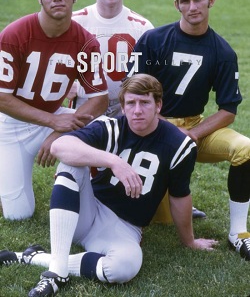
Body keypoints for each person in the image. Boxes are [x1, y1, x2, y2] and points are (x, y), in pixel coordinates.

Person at [0, 74, 217, 297]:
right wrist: (114, 161)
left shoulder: (178, 144)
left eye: (145, 103)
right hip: (86, 210)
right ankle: (57, 272)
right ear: (122, 107)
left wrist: (189, 241)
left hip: (124, 226)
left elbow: (180, 196)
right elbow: (60, 146)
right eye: (131, 103)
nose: (137, 110)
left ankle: (36, 258)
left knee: (123, 268)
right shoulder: (111, 126)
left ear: (158, 105)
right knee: (71, 164)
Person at [70, 0, 205, 219]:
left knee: (145, 153)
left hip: (129, 107)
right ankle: (75, 199)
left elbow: (153, 74)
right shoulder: (78, 20)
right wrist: (72, 84)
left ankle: (165, 197)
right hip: (88, 104)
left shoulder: (141, 26)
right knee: (84, 157)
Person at [129, 0, 250, 259]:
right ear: (176, 5)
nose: (193, 6)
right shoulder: (153, 40)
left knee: (245, 149)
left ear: (211, 1)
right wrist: (162, 129)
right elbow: (132, 93)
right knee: (161, 220)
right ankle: (169, 200)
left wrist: (193, 134)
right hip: (154, 130)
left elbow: (228, 110)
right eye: (185, 1)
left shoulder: (222, 51)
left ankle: (239, 232)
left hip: (194, 127)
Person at [0, 0, 108, 221]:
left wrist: (59, 130)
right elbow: (2, 97)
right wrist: (52, 121)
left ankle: (84, 192)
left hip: (53, 116)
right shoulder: (15, 35)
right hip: (12, 124)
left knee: (103, 127)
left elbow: (100, 99)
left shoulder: (85, 42)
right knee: (18, 215)